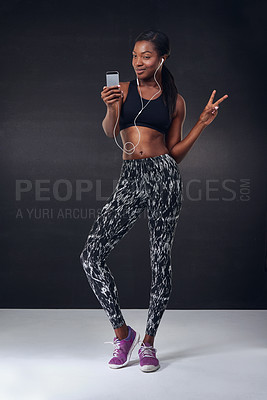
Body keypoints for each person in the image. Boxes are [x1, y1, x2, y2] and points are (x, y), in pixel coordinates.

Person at [80, 29, 228, 373]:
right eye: (134, 55)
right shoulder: (124, 91)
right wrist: (110, 106)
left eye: (145, 56)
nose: (137, 62)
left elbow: (174, 153)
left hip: (163, 176)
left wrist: (202, 124)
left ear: (162, 57)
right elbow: (109, 131)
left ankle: (148, 344)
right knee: (91, 254)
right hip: (130, 176)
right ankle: (123, 334)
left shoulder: (175, 101)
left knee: (160, 260)